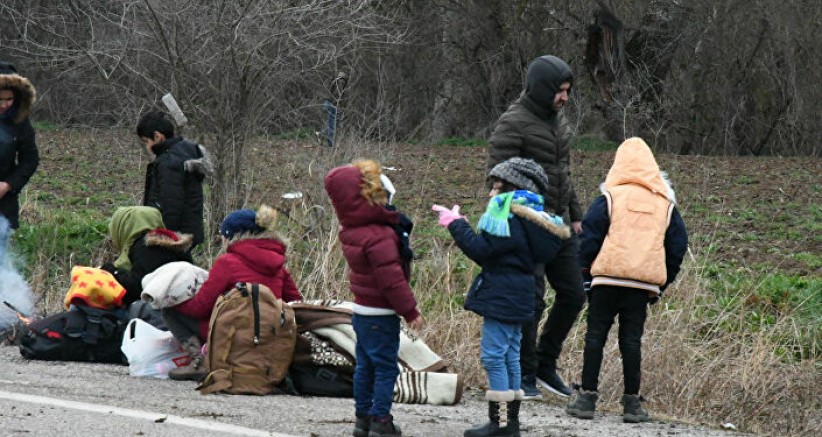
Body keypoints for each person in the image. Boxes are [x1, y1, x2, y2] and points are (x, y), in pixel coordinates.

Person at [433, 157, 571, 437]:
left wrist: (456, 224)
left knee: (494, 356)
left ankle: (499, 424)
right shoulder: (535, 219)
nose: (491, 194)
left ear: (513, 189)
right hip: (522, 295)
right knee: (510, 356)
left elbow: (482, 250)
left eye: (497, 188)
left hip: (502, 297)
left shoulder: (506, 216)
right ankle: (511, 424)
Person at [565, 137, 688, 423]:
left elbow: (589, 239)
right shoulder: (665, 205)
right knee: (631, 342)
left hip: (606, 280)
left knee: (595, 337)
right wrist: (662, 283)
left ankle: (586, 399)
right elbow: (677, 247)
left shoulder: (609, 198)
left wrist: (585, 275)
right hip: (640, 286)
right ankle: (632, 404)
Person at [486, 54, 584, 399]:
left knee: (574, 294)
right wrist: (522, 217)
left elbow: (564, 173)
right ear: (542, 88)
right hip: (528, 226)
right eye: (560, 91)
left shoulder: (559, 123)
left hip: (559, 224)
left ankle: (545, 365)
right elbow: (497, 177)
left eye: (568, 91)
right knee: (532, 301)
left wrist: (575, 215)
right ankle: (524, 375)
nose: (564, 98)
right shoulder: (512, 123)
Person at [324, 159, 424, 437]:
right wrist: (411, 311)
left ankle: (362, 418)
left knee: (365, 367)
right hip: (381, 314)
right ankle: (381, 420)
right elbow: (391, 280)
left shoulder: (352, 231)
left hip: (361, 312)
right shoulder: (379, 236)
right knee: (385, 369)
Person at [162, 204, 302, 381]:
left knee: (170, 311)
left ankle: (200, 361)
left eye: (222, 234)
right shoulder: (279, 265)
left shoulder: (228, 262)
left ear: (230, 236)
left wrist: (174, 301)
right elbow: (296, 302)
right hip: (269, 339)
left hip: (234, 338)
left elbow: (200, 308)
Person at [136, 110, 211, 249]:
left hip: (175, 237)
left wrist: (164, 237)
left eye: (147, 141)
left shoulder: (169, 161)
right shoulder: (184, 153)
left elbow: (170, 204)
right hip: (188, 231)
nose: (147, 146)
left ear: (157, 137)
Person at [100, 206, 195, 305]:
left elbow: (137, 287)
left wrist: (111, 271)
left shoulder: (146, 247)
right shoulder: (174, 242)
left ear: (123, 227)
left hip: (160, 311)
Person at [0, 61, 39, 230]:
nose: (3, 105)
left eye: (9, 99)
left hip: (3, 205)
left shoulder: (20, 122)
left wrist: (8, 185)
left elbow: (30, 159)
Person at [319, 71, 347, 147]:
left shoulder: (334, 81)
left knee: (331, 122)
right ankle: (330, 142)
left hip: (326, 103)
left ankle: (321, 134)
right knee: (332, 124)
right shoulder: (341, 81)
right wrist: (337, 105)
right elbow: (337, 95)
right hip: (331, 104)